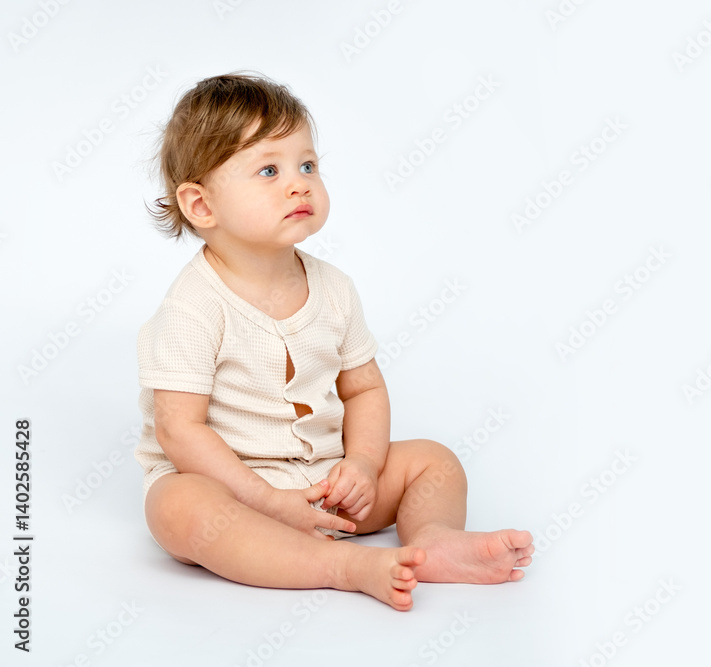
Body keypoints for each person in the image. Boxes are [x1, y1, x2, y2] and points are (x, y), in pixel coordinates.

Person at [134, 72, 533, 611]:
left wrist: (364, 466)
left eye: (308, 165)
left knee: (433, 461)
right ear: (201, 206)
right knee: (176, 506)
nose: (299, 183)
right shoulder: (192, 307)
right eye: (269, 170)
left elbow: (364, 389)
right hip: (236, 494)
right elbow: (179, 430)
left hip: (329, 486)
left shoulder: (334, 289)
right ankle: (342, 566)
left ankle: (432, 540)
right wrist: (268, 500)